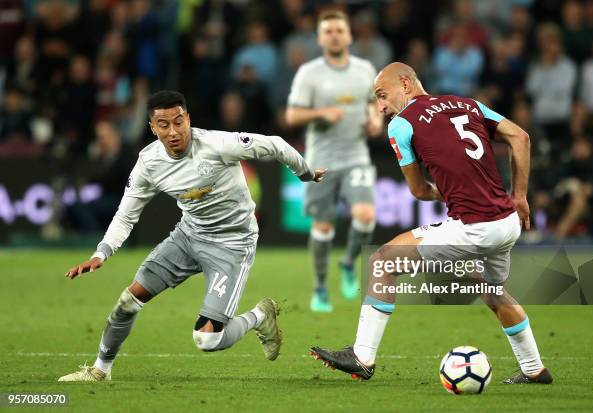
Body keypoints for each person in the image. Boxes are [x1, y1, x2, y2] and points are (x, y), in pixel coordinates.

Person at [310, 63, 553, 385]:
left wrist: (449, 194)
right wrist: (519, 196)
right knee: (491, 290)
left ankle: (362, 356)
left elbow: (419, 190)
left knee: (382, 261)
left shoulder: (403, 124)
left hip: (473, 226)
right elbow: (520, 137)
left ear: (407, 84)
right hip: (507, 223)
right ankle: (534, 368)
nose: (381, 106)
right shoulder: (468, 104)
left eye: (383, 95)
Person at [58, 90, 325, 382]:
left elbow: (275, 145)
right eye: (163, 124)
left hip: (232, 243)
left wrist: (306, 174)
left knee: (207, 339)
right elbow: (126, 214)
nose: (173, 131)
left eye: (178, 122)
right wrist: (101, 253)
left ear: (188, 119)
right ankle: (100, 370)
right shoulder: (149, 162)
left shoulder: (217, 144)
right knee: (127, 301)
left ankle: (260, 316)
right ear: (152, 127)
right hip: (188, 236)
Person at [286, 10, 383, 312]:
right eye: (328, 31)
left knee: (366, 215)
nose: (335, 35)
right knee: (323, 226)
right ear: (320, 38)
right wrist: (320, 114)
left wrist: (375, 122)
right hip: (321, 161)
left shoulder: (365, 69)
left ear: (349, 35)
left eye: (339, 30)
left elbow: (375, 104)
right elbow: (292, 115)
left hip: (356, 156)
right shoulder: (309, 73)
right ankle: (319, 289)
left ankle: (348, 262)